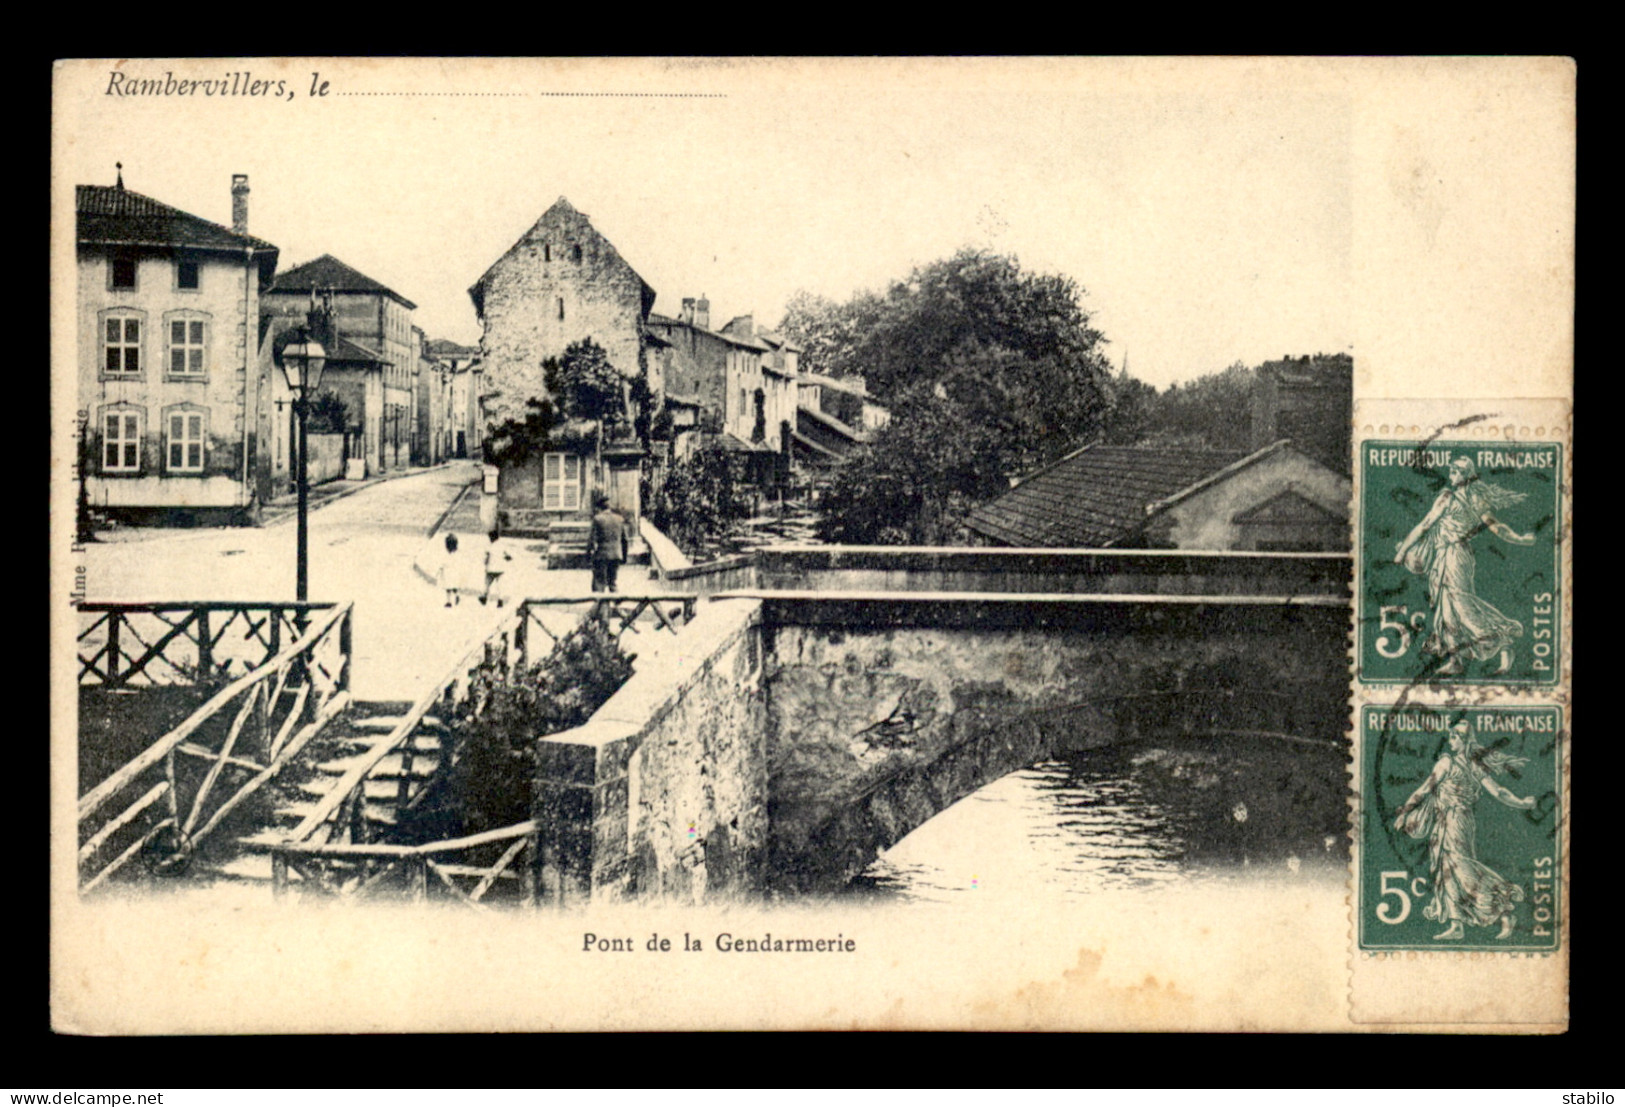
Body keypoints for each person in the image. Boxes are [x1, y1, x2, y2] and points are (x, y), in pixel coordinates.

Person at [1392, 720, 1536, 940]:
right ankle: (1457, 924)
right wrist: (1406, 810)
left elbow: (1498, 792)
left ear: (1466, 740)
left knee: (1461, 869)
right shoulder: (1460, 764)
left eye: (1456, 735)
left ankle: (1504, 909)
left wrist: (1522, 803)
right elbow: (1425, 790)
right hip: (1448, 821)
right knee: (1445, 869)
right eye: (1451, 735)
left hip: (1456, 821)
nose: (1451, 739)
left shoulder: (1452, 764)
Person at [1393, 455, 1534, 675]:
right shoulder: (1459, 498)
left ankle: (1503, 642)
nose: (1451, 473)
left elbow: (1426, 525)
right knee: (1446, 610)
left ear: (1467, 474)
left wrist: (1402, 551)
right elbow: (1427, 525)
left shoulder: (1454, 499)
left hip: (1456, 556)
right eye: (1451, 469)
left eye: (1456, 470)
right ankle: (1456, 661)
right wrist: (1520, 539)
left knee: (1462, 605)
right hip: (1445, 556)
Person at [587, 491, 627, 593]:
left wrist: (588, 557)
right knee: (612, 583)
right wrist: (624, 557)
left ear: (599, 508)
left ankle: (600, 608)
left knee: (599, 584)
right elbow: (625, 540)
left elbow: (591, 541)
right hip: (616, 555)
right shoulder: (619, 519)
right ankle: (616, 607)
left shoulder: (597, 519)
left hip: (601, 556)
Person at [482, 529, 512, 607]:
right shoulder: (502, 546)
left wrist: (485, 563)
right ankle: (500, 600)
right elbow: (509, 556)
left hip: (491, 568)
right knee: (500, 585)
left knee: (487, 584)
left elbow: (486, 557)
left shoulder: (489, 546)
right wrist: (505, 558)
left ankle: (484, 597)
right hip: (500, 568)